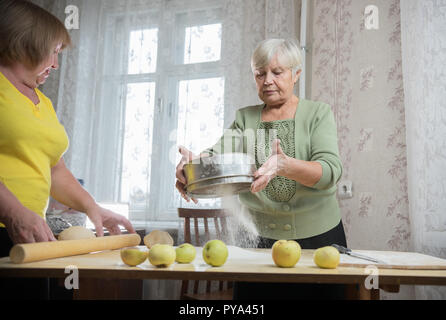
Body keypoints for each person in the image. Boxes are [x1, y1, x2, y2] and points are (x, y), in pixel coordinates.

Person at [176, 38, 347, 300]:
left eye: (277, 72)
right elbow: (216, 154)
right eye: (260, 73)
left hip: (319, 241)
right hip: (258, 243)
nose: (267, 80)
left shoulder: (318, 114)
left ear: (296, 74)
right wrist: (192, 166)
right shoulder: (245, 118)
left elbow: (329, 172)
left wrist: (285, 165)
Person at [0, 0, 135, 298]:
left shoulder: (43, 102)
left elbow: (55, 167)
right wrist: (13, 212)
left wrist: (92, 207)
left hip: (29, 233)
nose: (56, 64)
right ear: (25, 44)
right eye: (54, 53)